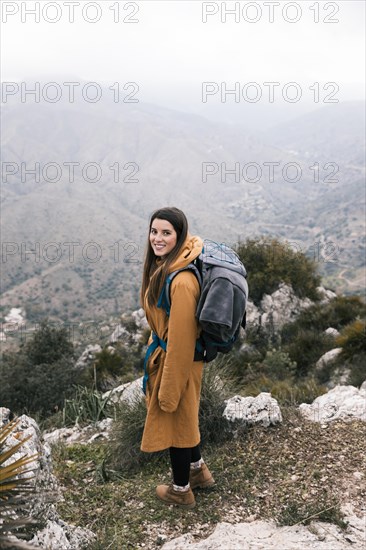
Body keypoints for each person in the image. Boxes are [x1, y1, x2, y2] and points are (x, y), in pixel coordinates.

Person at [140, 206, 215, 509]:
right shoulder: (166, 265)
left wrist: (169, 389)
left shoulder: (182, 282)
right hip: (172, 357)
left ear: (179, 235)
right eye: (154, 231)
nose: (157, 238)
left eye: (166, 233)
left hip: (179, 362)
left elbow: (182, 343)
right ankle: (198, 472)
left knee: (175, 421)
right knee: (186, 417)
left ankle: (181, 490)